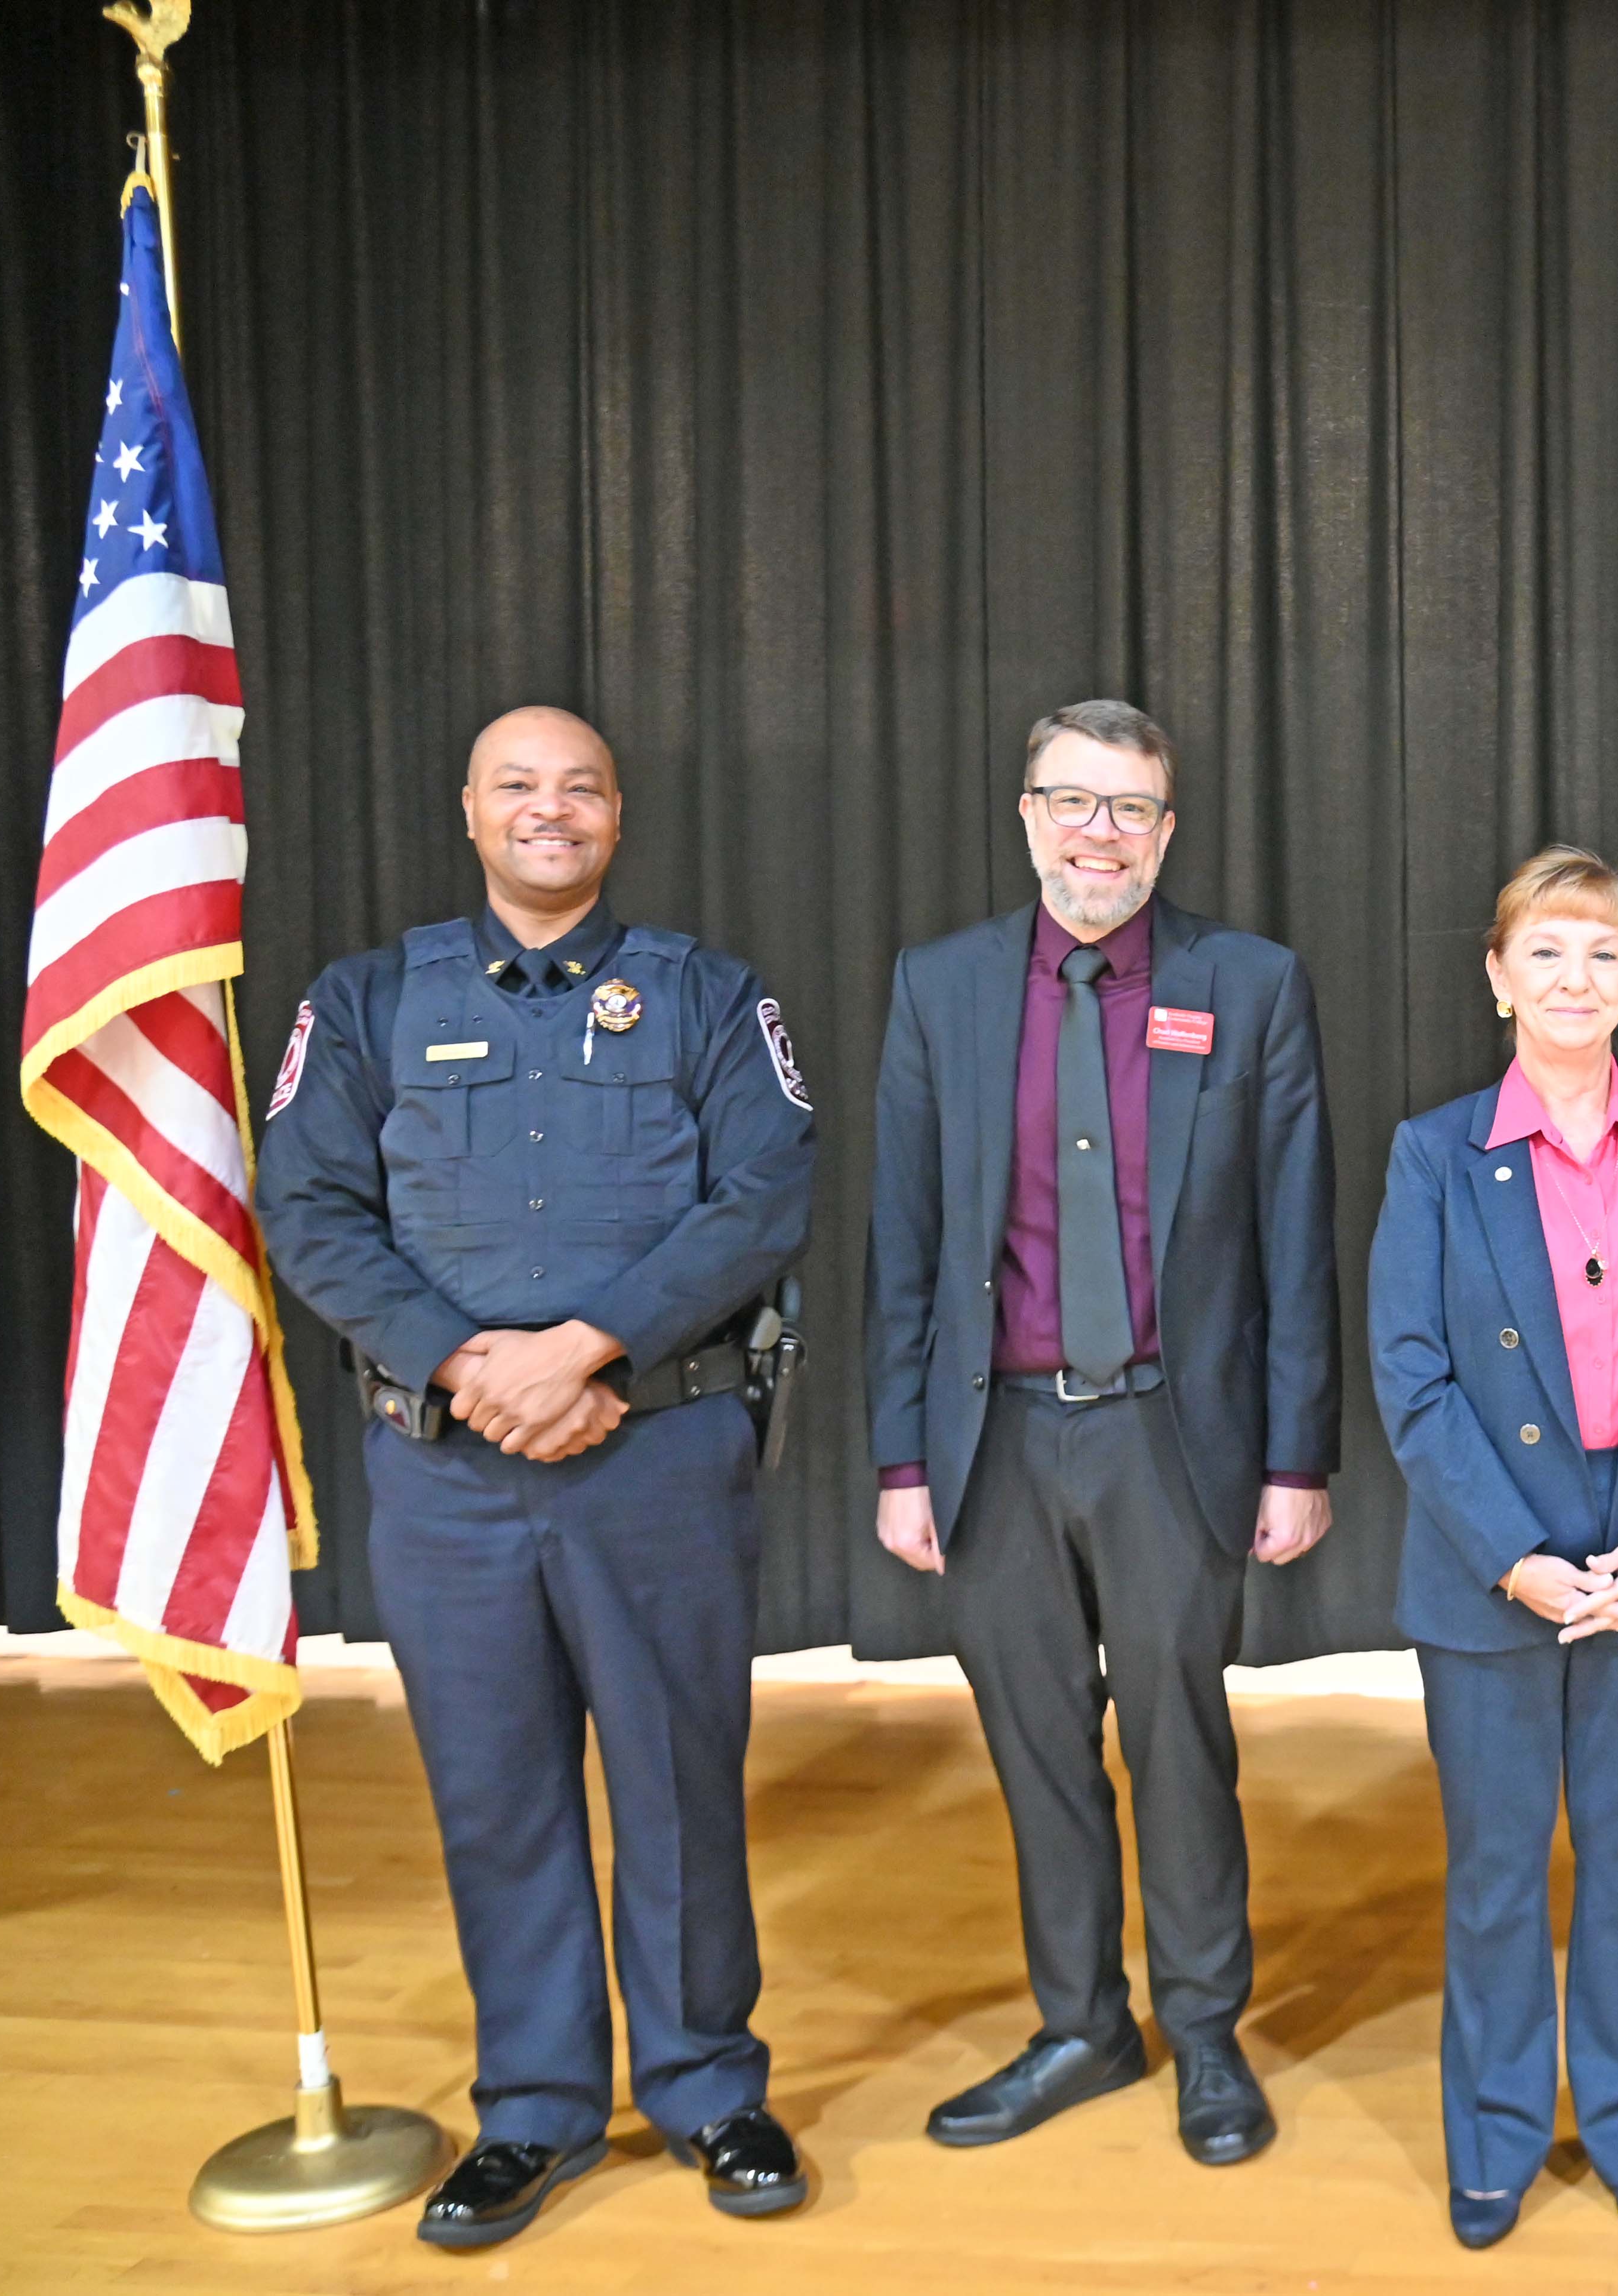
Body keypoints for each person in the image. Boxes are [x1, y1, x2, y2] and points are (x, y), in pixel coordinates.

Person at [257, 706, 817, 2246]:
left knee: (680, 1782)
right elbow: (307, 1210)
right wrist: (469, 1362)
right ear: (470, 809)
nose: (548, 809)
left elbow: (764, 1196)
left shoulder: (706, 994)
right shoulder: (367, 1000)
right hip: (451, 1470)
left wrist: (586, 1346)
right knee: (498, 1794)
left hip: (658, 1450)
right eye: (519, 785)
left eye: (578, 787)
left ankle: (710, 2087)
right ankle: (538, 2108)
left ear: (617, 817)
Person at [865, 698, 1339, 2166]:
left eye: (1131, 809)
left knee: (1181, 1743)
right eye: (1073, 802)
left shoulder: (1247, 985)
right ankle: (1081, 2023)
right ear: (1025, 815)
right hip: (994, 1438)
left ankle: (1205, 2031)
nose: (1099, 834)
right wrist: (900, 1457)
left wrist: (1297, 1454)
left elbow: (1296, 1239)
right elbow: (904, 1236)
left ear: (1169, 831)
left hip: (1167, 1436)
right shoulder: (940, 987)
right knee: (1038, 1745)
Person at [1368, 848, 1618, 2249]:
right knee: (1492, 1873)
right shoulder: (1435, 1155)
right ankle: (1489, 2138)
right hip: (1495, 1569)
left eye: (1603, 954)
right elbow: (1412, 1379)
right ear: (1496, 976)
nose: (1574, 978)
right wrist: (1517, 1557)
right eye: (1545, 952)